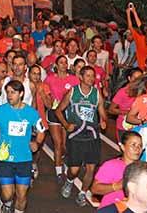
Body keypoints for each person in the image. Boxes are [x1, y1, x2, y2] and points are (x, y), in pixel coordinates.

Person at [0, 80, 45, 213]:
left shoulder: (31, 112)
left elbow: (41, 131)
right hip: (5, 159)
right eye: (8, 92)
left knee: (22, 195)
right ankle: (8, 203)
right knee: (7, 194)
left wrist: (37, 143)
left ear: (21, 93)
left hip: (24, 159)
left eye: (13, 92)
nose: (9, 95)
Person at [56, 66, 108, 207]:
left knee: (91, 168)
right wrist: (66, 125)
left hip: (92, 136)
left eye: (93, 76)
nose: (91, 79)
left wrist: (104, 120)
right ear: (81, 76)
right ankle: (70, 181)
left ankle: (82, 193)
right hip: (76, 136)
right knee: (74, 170)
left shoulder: (96, 94)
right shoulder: (73, 92)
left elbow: (102, 112)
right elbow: (59, 111)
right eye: (88, 75)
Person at [44, 55, 80, 182]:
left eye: (65, 63)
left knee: (65, 145)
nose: (63, 65)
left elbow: (78, 95)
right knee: (58, 143)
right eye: (61, 62)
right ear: (56, 65)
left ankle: (63, 158)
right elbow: (44, 93)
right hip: (54, 113)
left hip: (68, 113)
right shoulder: (49, 79)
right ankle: (59, 171)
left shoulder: (74, 79)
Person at [91, 131, 143, 209]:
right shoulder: (112, 165)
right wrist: (117, 186)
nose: (137, 149)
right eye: (133, 145)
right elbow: (95, 189)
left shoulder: (142, 169)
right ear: (123, 147)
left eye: (140, 146)